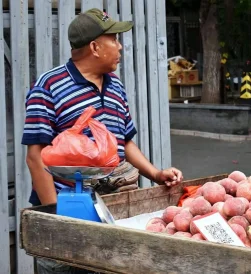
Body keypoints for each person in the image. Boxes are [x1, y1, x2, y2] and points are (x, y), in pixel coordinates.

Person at [21, 8, 183, 274]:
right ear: (95, 47)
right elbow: (35, 157)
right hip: (65, 214)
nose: (120, 46)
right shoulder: (48, 86)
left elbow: (125, 142)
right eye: (114, 39)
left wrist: (156, 173)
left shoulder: (115, 85)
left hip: (112, 213)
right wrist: (58, 219)